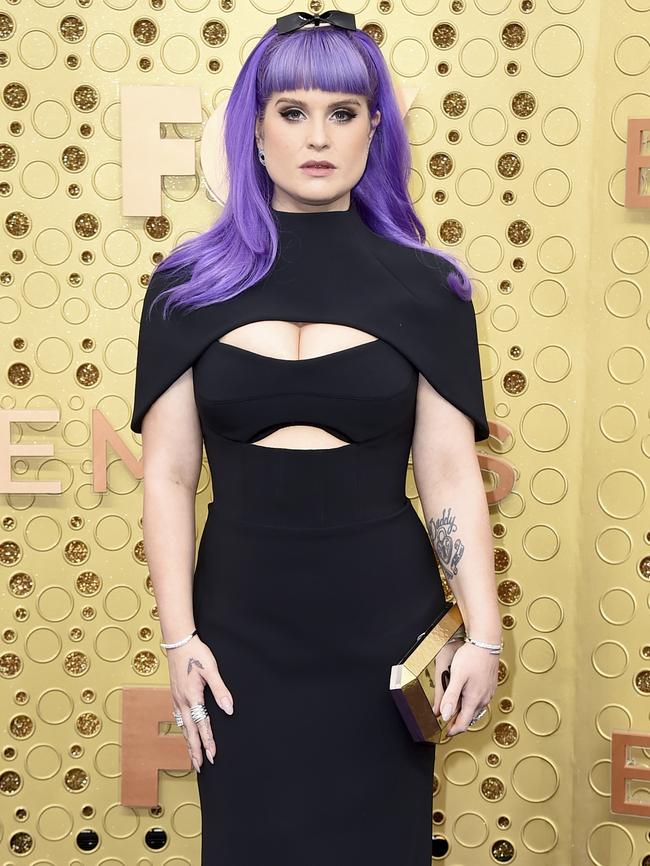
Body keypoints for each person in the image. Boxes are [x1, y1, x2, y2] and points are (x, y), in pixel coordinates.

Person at [130, 10, 501, 865]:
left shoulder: (429, 287)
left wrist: (483, 629)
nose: (318, 135)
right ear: (254, 129)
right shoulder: (186, 286)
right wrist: (180, 637)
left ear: (377, 126)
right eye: (292, 111)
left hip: (383, 622)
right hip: (239, 624)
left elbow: (448, 475)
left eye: (343, 111)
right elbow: (167, 477)